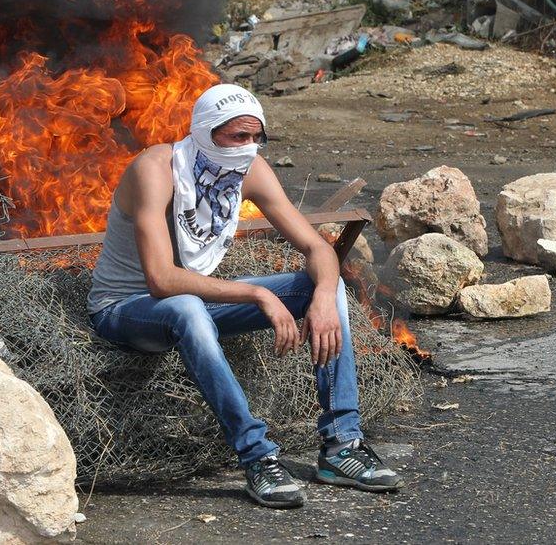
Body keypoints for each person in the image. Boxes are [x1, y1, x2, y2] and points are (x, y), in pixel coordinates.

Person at [86, 84, 404, 508]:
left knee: (323, 284)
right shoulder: (156, 168)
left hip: (195, 306)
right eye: (238, 137)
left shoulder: (251, 171)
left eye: (257, 138)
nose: (248, 148)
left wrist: (326, 293)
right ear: (203, 132)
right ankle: (256, 457)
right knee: (185, 306)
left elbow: (317, 249)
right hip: (126, 309)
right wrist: (256, 293)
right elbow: (161, 280)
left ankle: (341, 446)